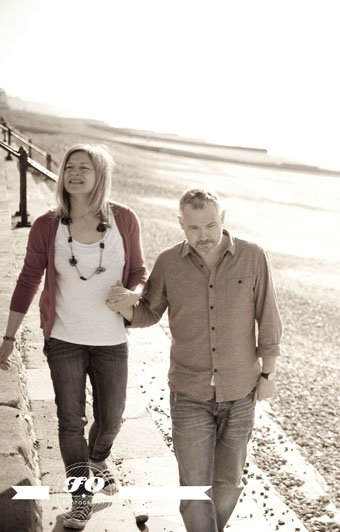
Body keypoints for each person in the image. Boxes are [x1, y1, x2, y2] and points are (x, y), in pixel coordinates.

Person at [106, 187, 282, 532]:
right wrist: (125, 302)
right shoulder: (170, 263)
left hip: (242, 390)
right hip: (189, 393)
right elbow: (148, 312)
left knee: (229, 486)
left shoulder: (253, 256)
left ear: (223, 219)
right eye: (194, 228)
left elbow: (269, 317)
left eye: (211, 226)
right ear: (181, 224)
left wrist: (268, 375)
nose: (204, 236)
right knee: (195, 488)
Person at [0, 144, 146, 529]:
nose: (75, 173)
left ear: (101, 176)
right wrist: (10, 337)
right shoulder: (48, 225)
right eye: (70, 167)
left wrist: (134, 295)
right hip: (63, 339)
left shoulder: (124, 220)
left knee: (111, 419)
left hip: (112, 340)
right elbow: (29, 279)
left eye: (85, 167)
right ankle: (81, 498)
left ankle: (98, 459)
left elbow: (140, 273)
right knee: (70, 421)